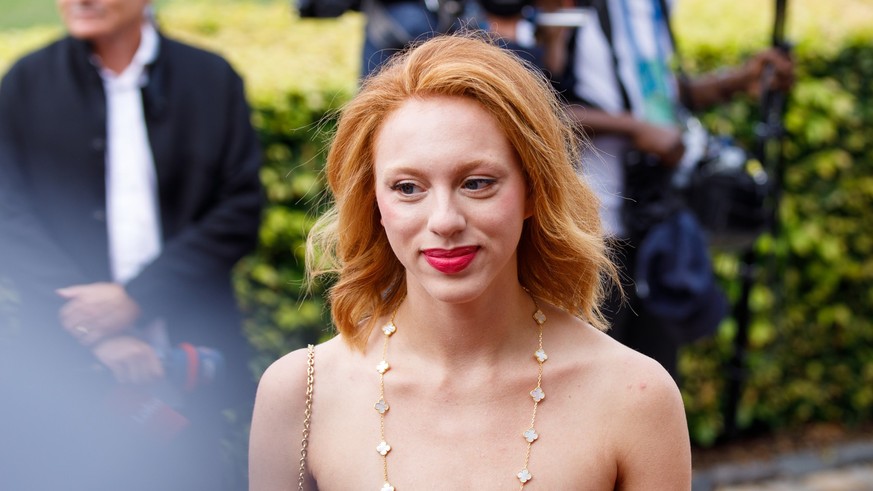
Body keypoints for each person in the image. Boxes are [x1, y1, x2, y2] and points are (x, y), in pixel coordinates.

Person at [249, 33, 691, 490]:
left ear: (533, 191)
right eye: (407, 188)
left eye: (477, 183)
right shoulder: (302, 394)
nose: (444, 220)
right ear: (373, 203)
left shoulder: (634, 396)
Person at [0, 1, 262, 490]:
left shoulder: (211, 79)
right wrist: (94, 327)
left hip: (190, 353)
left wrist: (137, 298)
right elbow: (9, 220)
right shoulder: (25, 83)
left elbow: (240, 209)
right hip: (62, 364)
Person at [560, 0, 794, 378]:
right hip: (592, 230)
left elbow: (657, 97)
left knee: (655, 373)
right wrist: (636, 130)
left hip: (653, 222)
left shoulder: (652, 9)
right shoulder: (571, 9)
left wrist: (737, 81)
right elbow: (538, 104)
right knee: (593, 379)